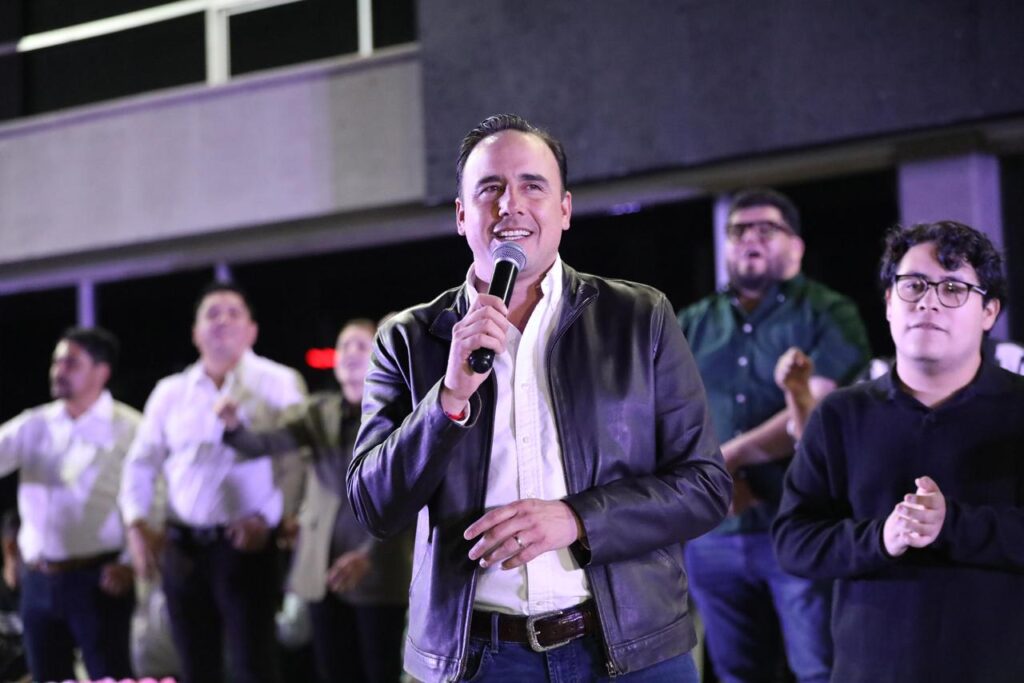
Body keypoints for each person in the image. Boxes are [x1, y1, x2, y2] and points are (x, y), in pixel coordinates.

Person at [347, 113, 731, 683]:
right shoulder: (407, 339)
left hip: (636, 651)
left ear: (564, 209)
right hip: (481, 660)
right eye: (490, 189)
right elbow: (375, 507)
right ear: (461, 215)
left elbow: (705, 486)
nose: (511, 205)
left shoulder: (638, 317)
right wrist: (448, 397)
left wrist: (577, 520)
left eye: (532, 186)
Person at [773, 220, 1024, 682]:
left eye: (953, 288)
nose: (929, 301)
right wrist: (881, 538)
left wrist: (951, 525)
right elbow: (794, 541)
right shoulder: (840, 414)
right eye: (913, 285)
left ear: (989, 312)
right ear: (889, 301)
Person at [677, 189, 870, 683]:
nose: (751, 239)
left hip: (798, 525)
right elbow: (667, 416)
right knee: (737, 674)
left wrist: (727, 459)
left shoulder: (829, 312)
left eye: (766, 229)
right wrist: (709, 476)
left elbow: (818, 413)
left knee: (820, 669)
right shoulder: (692, 322)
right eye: (739, 230)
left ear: (796, 247)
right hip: (715, 534)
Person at [120, 282, 307, 683]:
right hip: (182, 547)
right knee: (194, 666)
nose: (222, 320)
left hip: (247, 544)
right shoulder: (170, 392)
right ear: (195, 332)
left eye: (233, 313)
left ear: (252, 330)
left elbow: (294, 461)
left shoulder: (278, 382)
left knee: (253, 666)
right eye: (211, 314)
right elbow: (141, 462)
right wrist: (136, 523)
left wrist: (268, 519)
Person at [217, 319, 412, 683]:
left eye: (361, 345)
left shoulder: (401, 413)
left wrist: (370, 554)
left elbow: (409, 496)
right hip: (321, 563)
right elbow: (265, 444)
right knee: (332, 670)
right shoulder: (319, 410)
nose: (351, 353)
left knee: (380, 670)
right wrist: (233, 427)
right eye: (344, 346)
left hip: (378, 568)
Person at [0, 327, 140, 682]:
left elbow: (150, 500)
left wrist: (129, 563)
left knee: (109, 676)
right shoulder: (35, 424)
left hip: (100, 579)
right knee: (46, 676)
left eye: (71, 363)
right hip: (38, 580)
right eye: (56, 362)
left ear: (101, 371)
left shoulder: (129, 428)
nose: (58, 371)